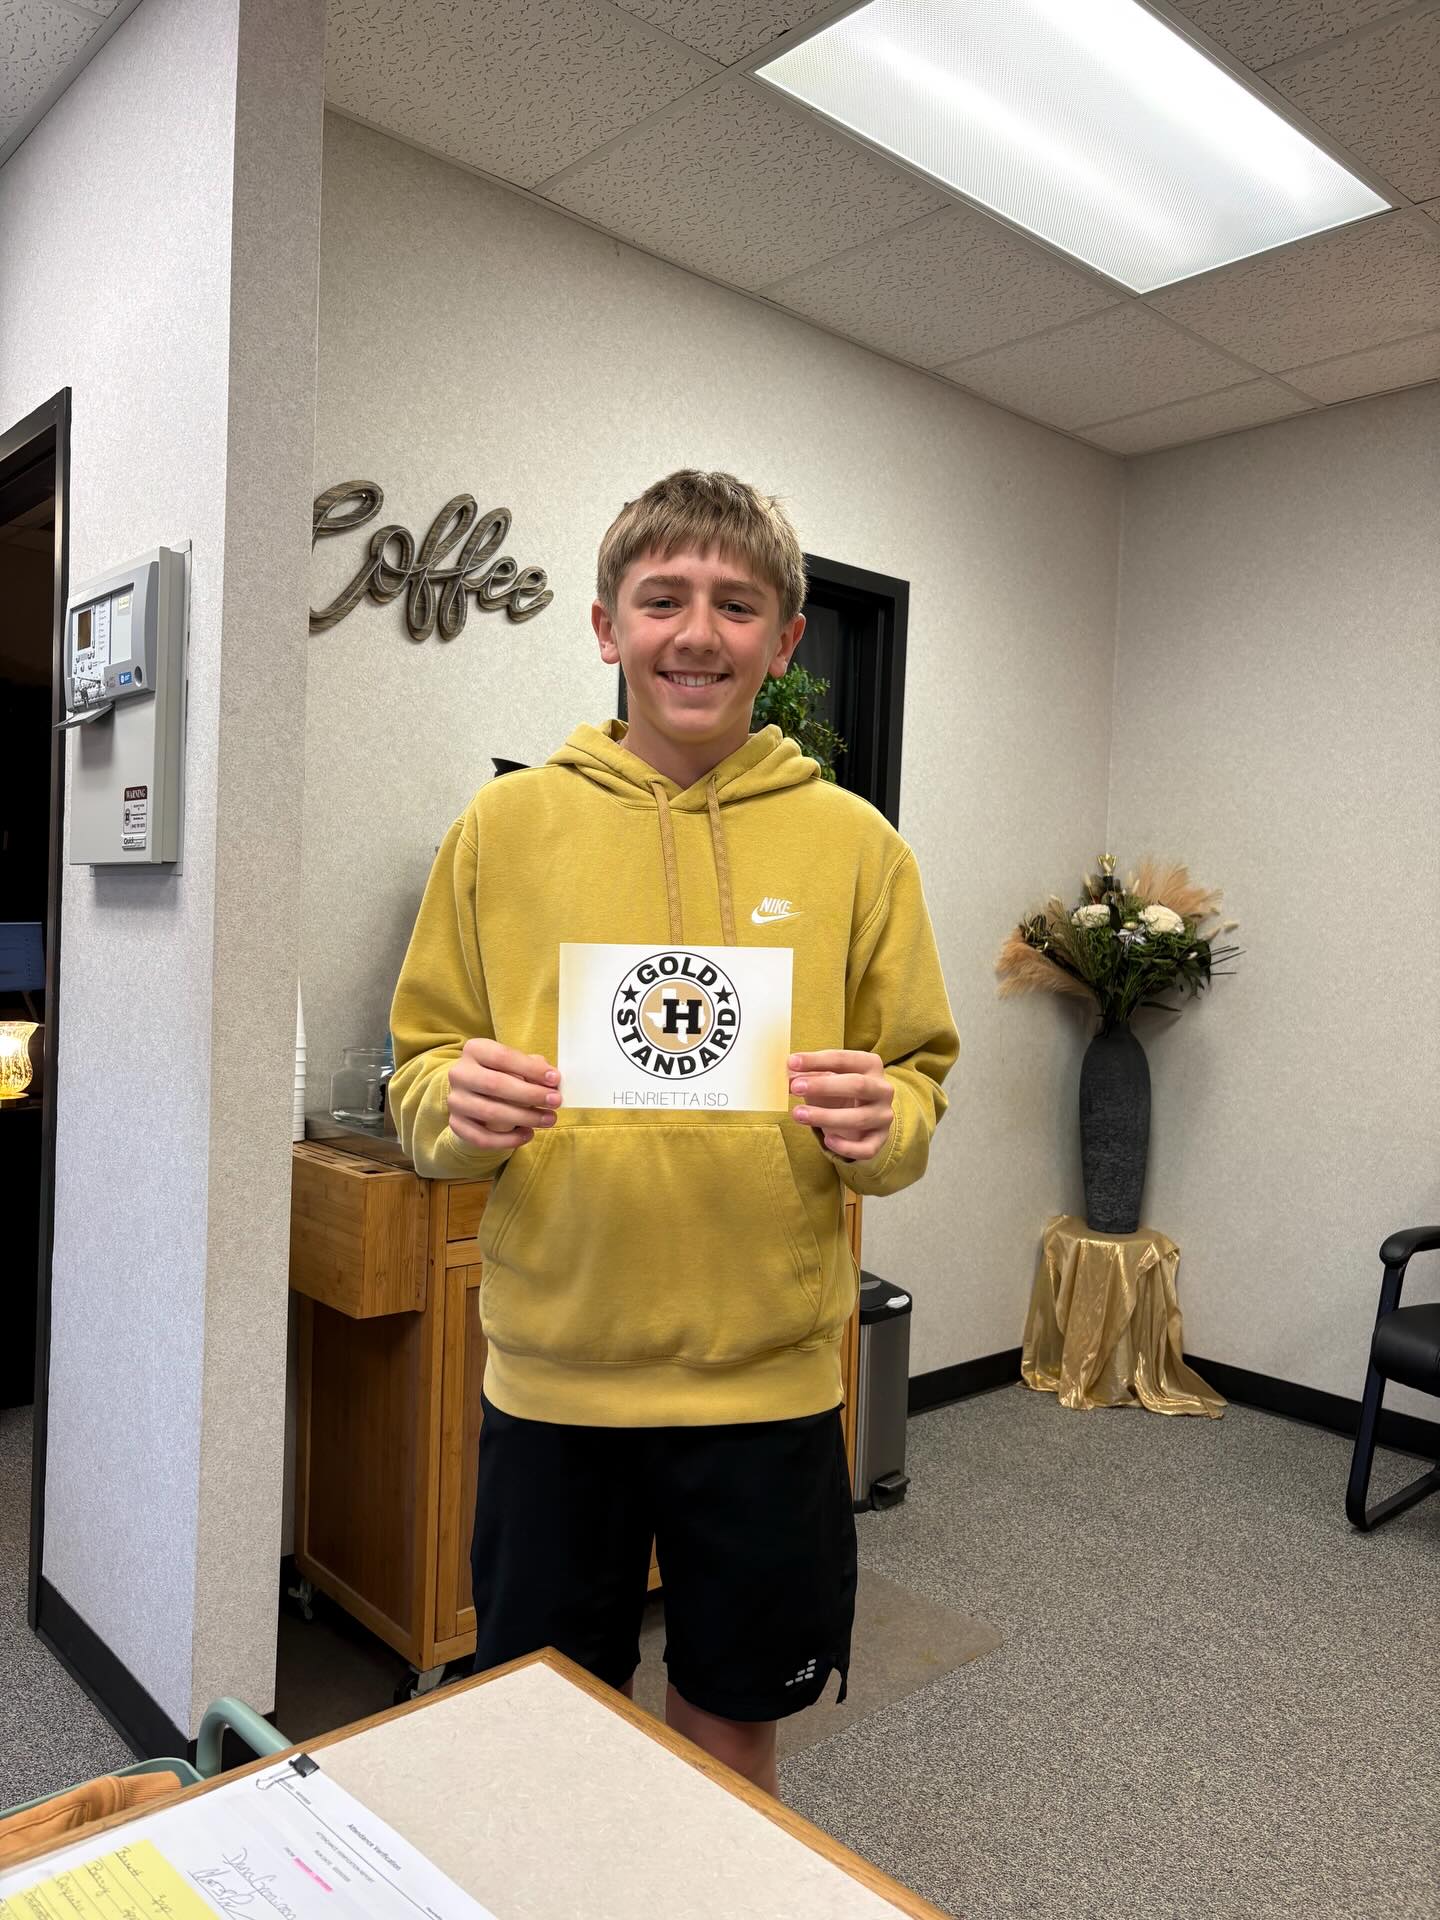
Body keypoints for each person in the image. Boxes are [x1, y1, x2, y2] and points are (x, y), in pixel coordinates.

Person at [389, 470, 957, 1798]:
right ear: (606, 628)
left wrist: (889, 1119)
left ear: (784, 640)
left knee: (730, 1733)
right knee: (546, 1738)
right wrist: (450, 1111)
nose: (696, 632)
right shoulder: (502, 828)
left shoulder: (858, 850)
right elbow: (421, 1073)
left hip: (764, 1388)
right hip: (554, 1381)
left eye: (735, 605)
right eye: (663, 600)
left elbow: (919, 1082)